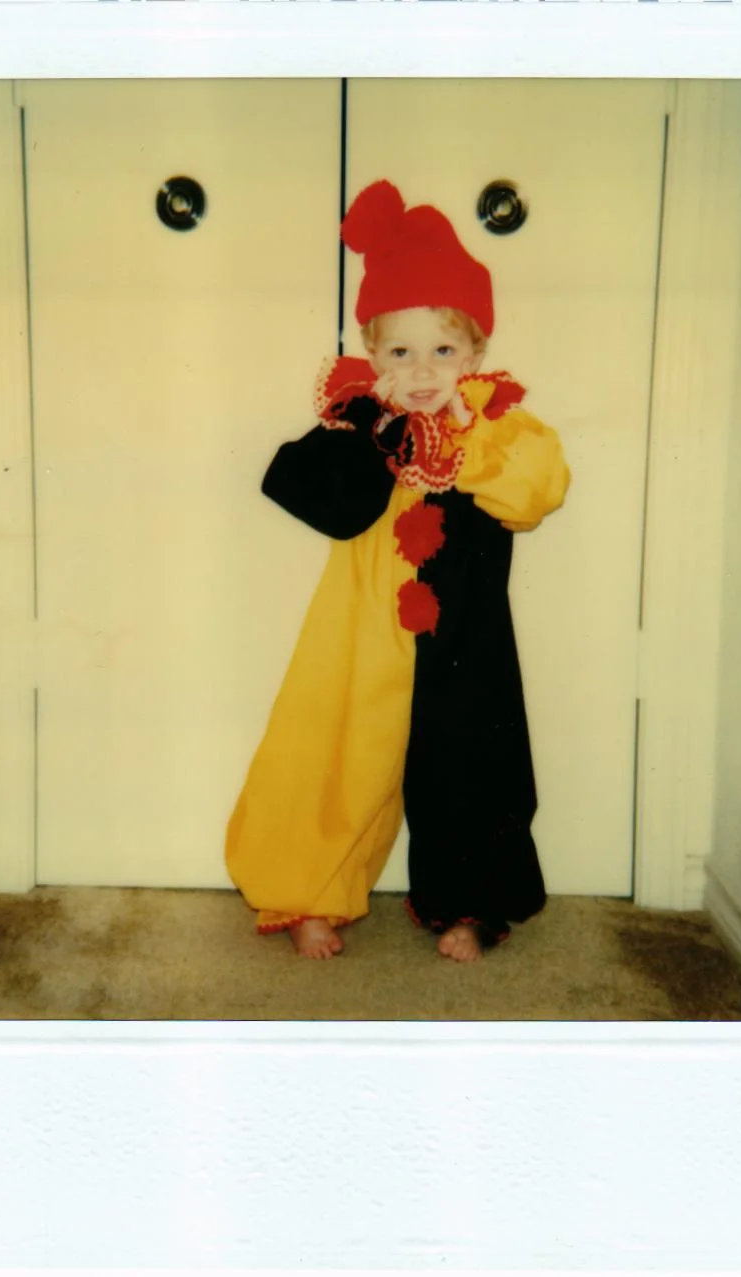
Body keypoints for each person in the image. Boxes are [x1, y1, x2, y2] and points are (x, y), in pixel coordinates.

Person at [225, 179, 571, 962]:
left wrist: (468, 441)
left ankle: (470, 905)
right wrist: (369, 431)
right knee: (334, 750)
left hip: (464, 630)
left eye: (442, 351)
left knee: (471, 761)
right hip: (362, 623)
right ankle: (308, 892)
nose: (421, 371)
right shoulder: (361, 421)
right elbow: (318, 498)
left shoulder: (496, 425)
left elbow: (535, 491)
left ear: (474, 353)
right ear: (371, 353)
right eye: (400, 352)